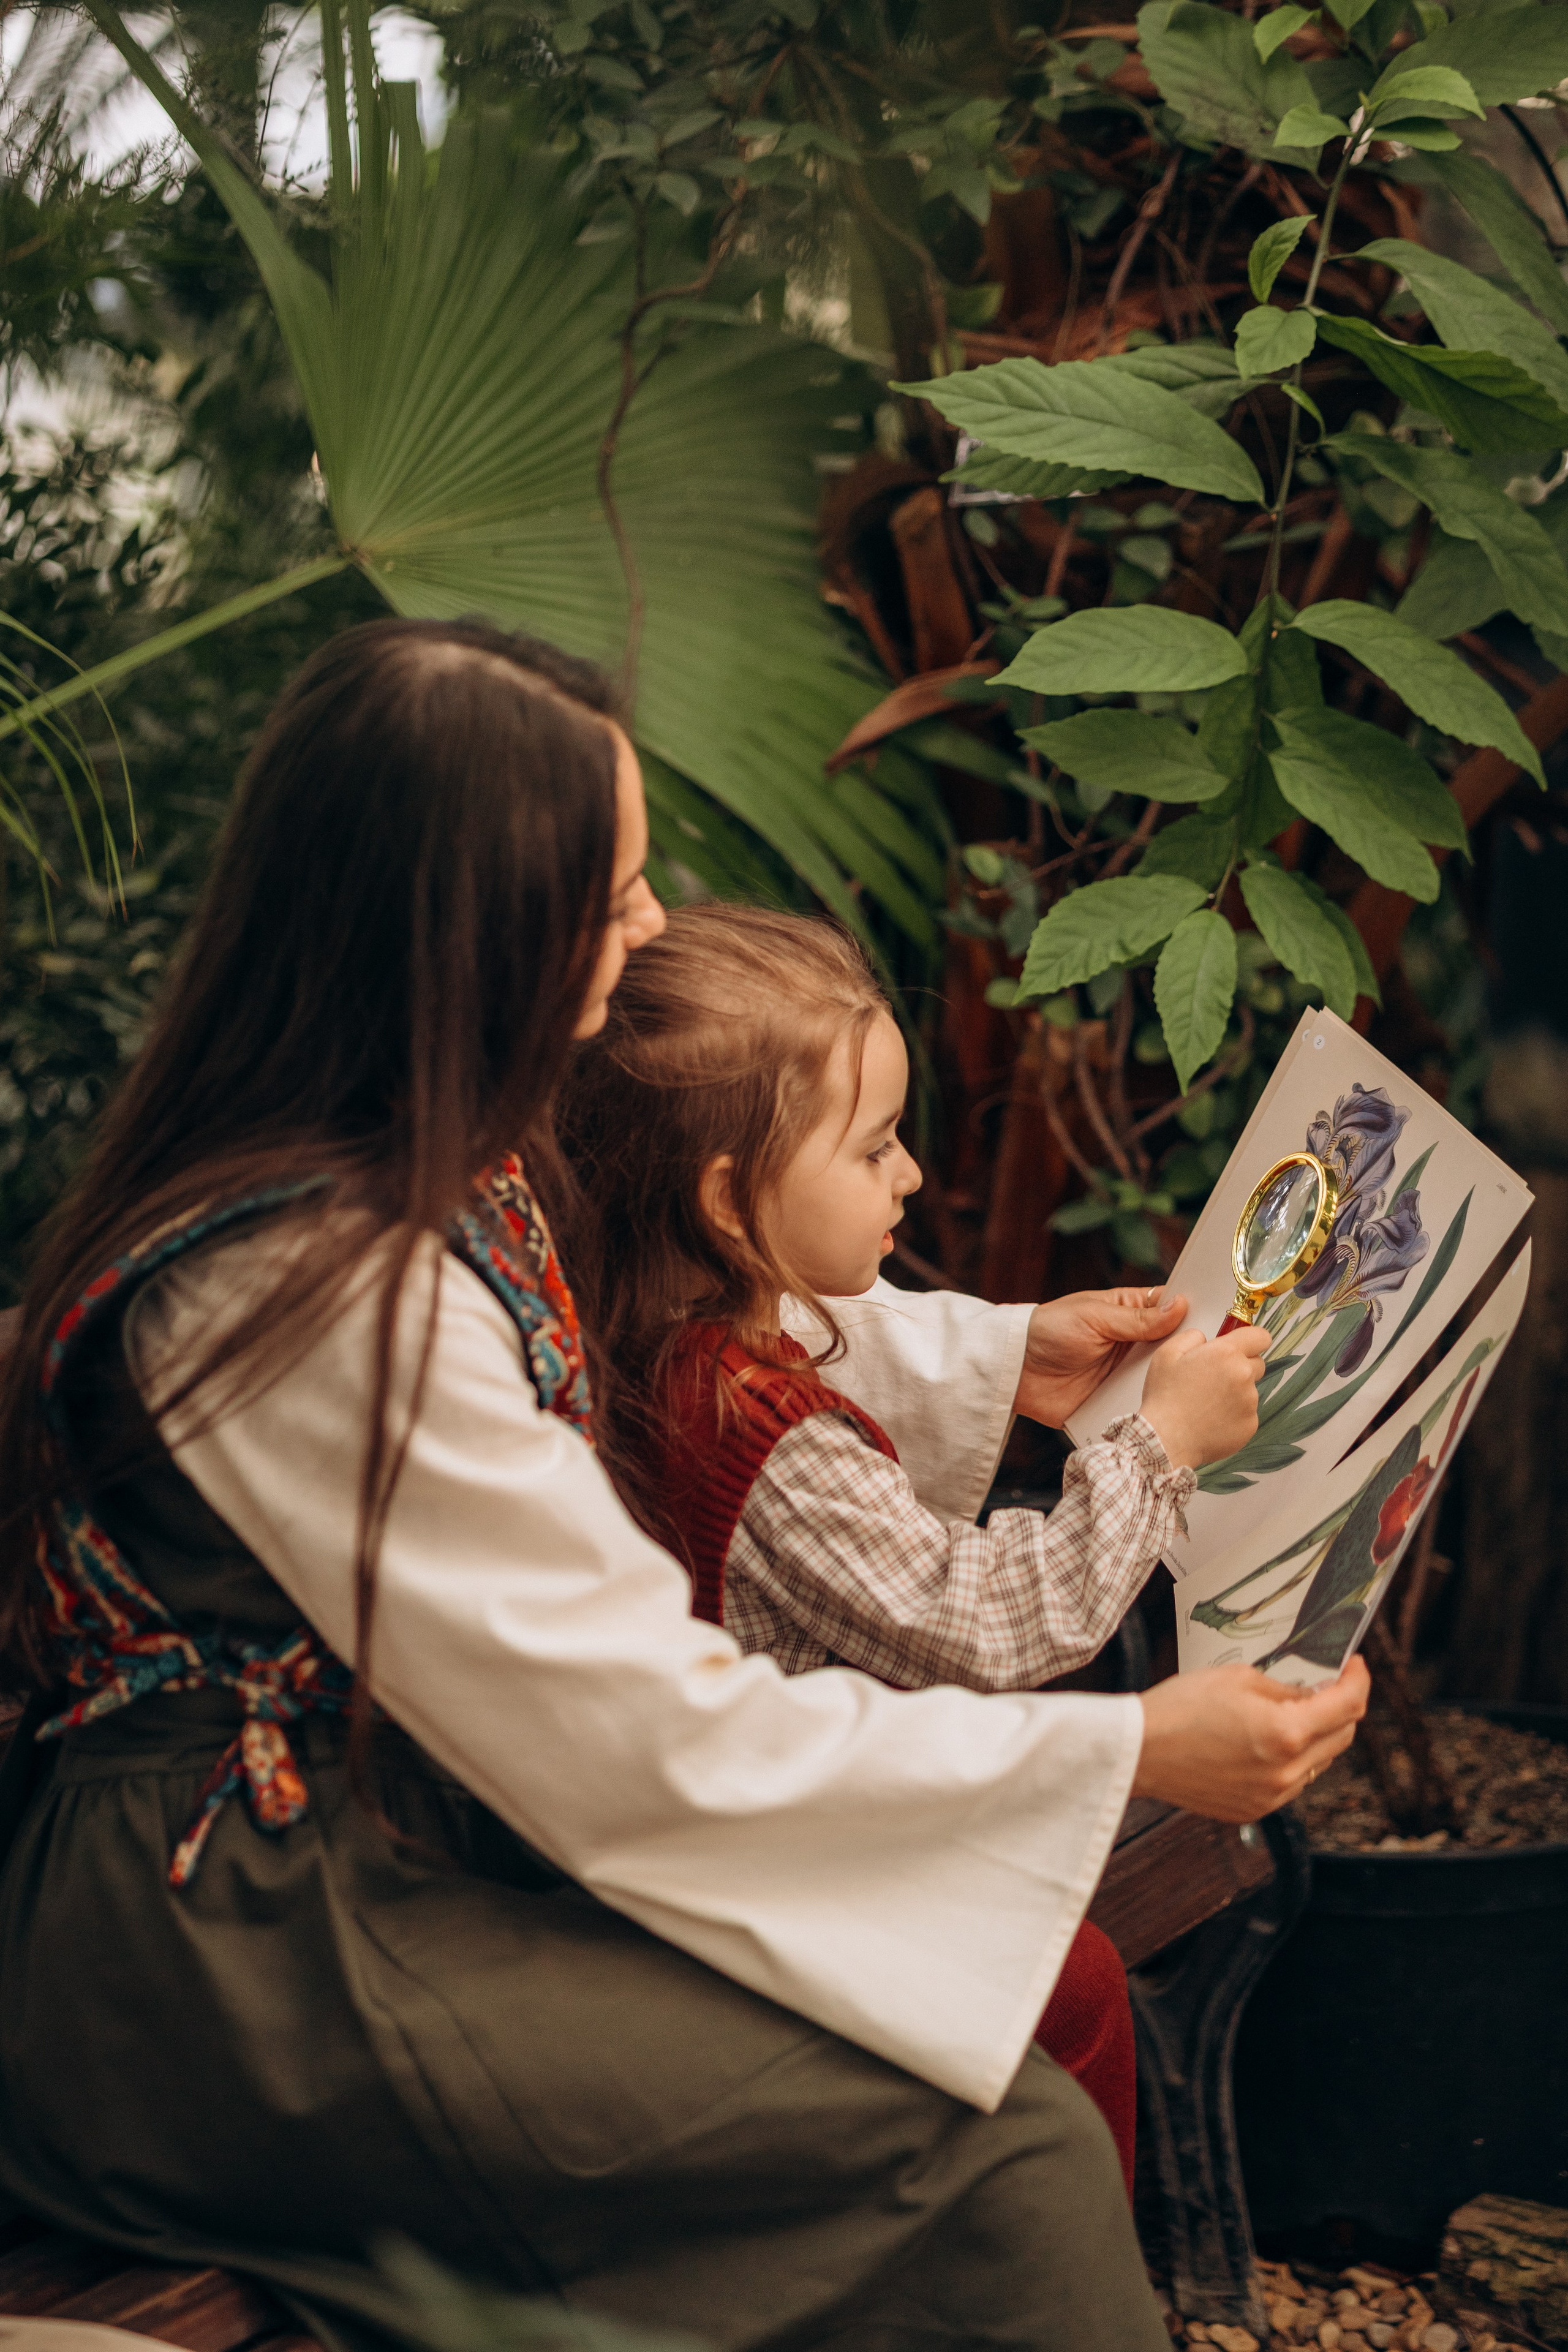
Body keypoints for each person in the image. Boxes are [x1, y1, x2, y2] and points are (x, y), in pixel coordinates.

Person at [0, 617, 1368, 2352]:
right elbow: (646, 1734)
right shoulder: (322, 1290)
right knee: (996, 2162)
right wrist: (1127, 1751)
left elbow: (650, 1323)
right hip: (234, 1961)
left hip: (377, 1848)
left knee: (964, 2036)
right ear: (472, 931)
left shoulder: (423, 1161)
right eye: (616, 892)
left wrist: (993, 1353)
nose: (652, 927)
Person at [556, 902, 1273, 2196]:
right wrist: (1161, 1444)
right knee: (1067, 1986)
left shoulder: (656, 1311)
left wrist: (1015, 1352)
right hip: (768, 1867)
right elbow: (986, 1624)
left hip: (726, 1825)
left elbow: (855, 1335)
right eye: (874, 1146)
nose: (912, 1177)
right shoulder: (756, 1424)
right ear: (728, 1202)